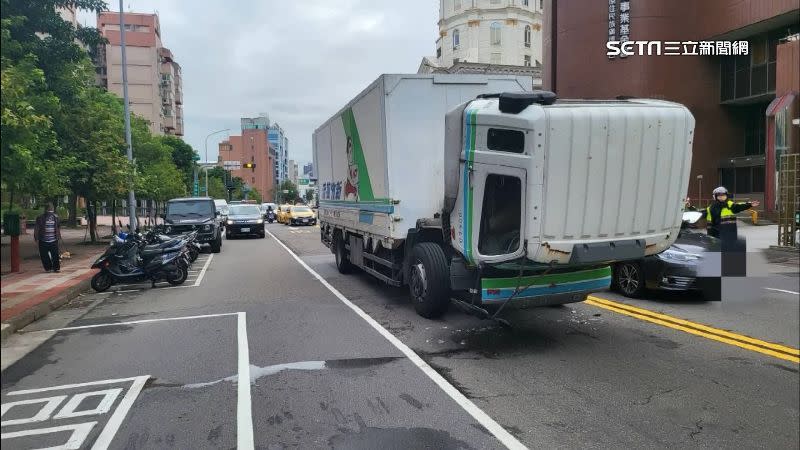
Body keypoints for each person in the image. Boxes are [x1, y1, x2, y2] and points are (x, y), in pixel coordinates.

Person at [33, 203, 62, 273]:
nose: (51, 209)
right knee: (44, 255)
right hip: (43, 240)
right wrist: (36, 237)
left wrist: (59, 235)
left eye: (52, 208)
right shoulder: (40, 217)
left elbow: (58, 227)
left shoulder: (56, 217)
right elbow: (37, 228)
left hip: (53, 239)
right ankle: (48, 268)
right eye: (50, 208)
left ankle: (56, 268)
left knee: (55, 254)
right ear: (46, 209)